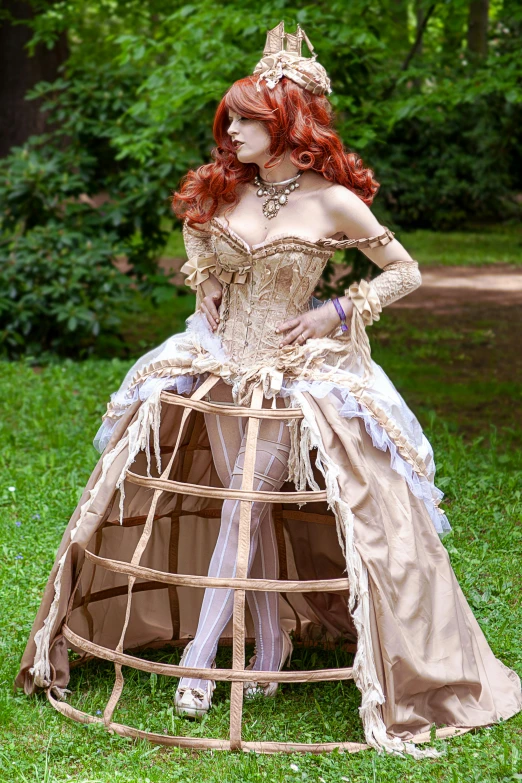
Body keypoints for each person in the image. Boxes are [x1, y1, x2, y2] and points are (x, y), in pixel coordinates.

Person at [14, 22, 522, 759]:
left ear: (287, 122)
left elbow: (404, 270)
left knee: (249, 501)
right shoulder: (231, 188)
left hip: (295, 375)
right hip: (221, 362)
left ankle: (200, 658)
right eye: (232, 119)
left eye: (247, 119)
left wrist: (337, 311)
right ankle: (273, 639)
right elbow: (195, 230)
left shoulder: (333, 202)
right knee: (236, 501)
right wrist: (208, 281)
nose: (233, 131)